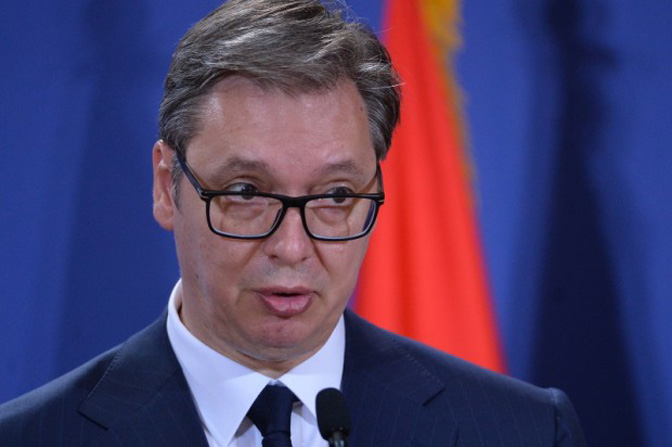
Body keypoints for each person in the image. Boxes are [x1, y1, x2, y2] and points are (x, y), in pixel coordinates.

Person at [0, 0, 586, 445]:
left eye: (335, 196)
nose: (291, 246)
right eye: (246, 192)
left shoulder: (523, 431)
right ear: (165, 186)